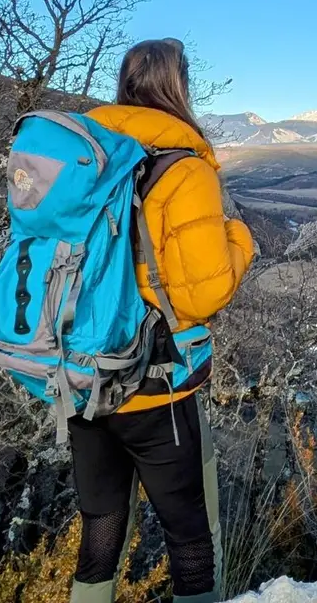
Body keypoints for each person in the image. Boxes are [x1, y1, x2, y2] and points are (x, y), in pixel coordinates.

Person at [73, 38, 256, 603]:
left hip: (80, 375)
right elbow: (205, 294)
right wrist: (239, 239)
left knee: (100, 535)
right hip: (153, 385)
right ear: (179, 88)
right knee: (191, 539)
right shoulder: (184, 169)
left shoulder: (85, 160)